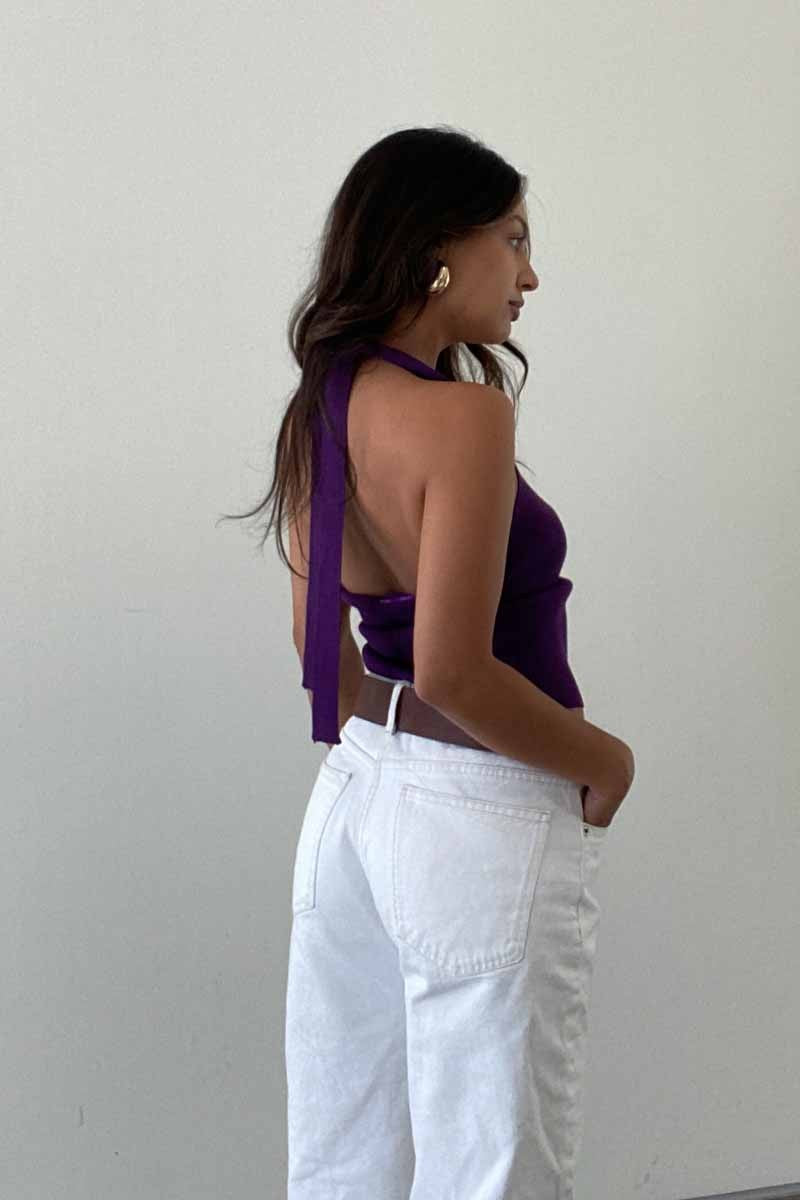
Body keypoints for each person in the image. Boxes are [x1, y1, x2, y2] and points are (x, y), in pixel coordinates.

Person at [226, 125, 635, 1199]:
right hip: (482, 810)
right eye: (513, 239)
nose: (529, 275)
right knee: (492, 1168)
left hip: (354, 801)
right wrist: (605, 761)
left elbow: (322, 662)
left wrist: (390, 760)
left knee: (343, 1157)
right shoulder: (465, 418)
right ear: (438, 248)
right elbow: (456, 670)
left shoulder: (322, 403)